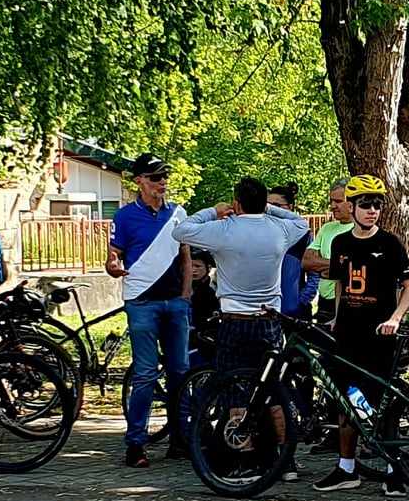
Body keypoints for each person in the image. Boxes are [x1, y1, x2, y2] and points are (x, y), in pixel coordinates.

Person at [171, 176, 311, 475]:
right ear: (263, 203)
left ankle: (244, 459)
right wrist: (270, 210)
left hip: (234, 320)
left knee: (233, 389)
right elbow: (301, 223)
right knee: (274, 390)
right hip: (269, 321)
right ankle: (285, 459)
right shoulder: (279, 229)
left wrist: (213, 211)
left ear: (236, 203)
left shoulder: (224, 230)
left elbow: (180, 230)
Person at [312, 175, 409, 496]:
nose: (373, 210)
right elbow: (340, 283)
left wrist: (395, 318)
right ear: (353, 207)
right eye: (366, 204)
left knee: (379, 404)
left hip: (379, 334)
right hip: (348, 334)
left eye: (377, 205)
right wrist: (336, 317)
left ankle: (393, 470)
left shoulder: (390, 243)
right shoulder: (341, 243)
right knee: (346, 400)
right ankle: (346, 468)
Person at [106, 154, 192, 468]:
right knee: (144, 373)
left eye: (164, 176)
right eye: (155, 177)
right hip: (142, 302)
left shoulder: (178, 213)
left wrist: (185, 295)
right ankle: (136, 443)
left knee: (180, 371)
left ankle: (181, 439)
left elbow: (186, 256)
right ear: (139, 181)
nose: (162, 182)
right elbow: (113, 256)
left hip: (174, 302)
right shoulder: (125, 216)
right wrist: (113, 266)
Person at [300, 180, 354, 323]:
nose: (333, 206)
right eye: (331, 201)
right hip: (324, 302)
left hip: (347, 301)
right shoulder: (326, 228)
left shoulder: (360, 231)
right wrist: (336, 266)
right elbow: (306, 261)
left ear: (352, 203)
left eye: (338, 201)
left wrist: (324, 267)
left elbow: (353, 268)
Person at [269, 183, 318, 319]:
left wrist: (302, 301)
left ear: (290, 207)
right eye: (267, 205)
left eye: (277, 205)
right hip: (266, 311)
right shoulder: (260, 233)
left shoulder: (303, 234)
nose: (271, 210)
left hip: (293, 312)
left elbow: (314, 273)